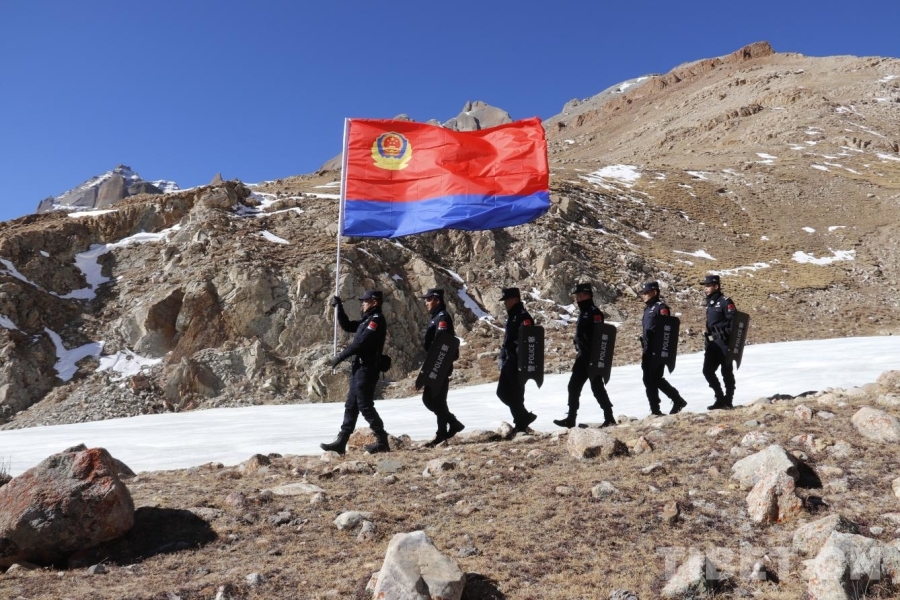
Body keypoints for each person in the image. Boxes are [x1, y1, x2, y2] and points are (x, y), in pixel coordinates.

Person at [319, 290, 391, 454]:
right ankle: (341, 442)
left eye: (365, 301)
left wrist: (340, 357)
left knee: (365, 406)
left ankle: (382, 441)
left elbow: (360, 343)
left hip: (367, 369)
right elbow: (347, 326)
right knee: (351, 405)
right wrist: (339, 308)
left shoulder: (376, 320)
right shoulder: (367, 320)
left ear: (374, 302)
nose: (362, 304)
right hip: (359, 368)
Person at [554, 283, 615, 428]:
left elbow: (599, 335)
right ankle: (571, 418)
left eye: (581, 295)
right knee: (574, 386)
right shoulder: (584, 312)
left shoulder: (594, 312)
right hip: (583, 356)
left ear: (588, 295)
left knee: (596, 387)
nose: (578, 299)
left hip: (592, 357)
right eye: (577, 296)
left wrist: (594, 354)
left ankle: (609, 417)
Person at [419, 288, 465, 446]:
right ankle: (449, 426)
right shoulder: (436, 317)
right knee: (433, 400)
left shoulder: (442, 317)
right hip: (435, 364)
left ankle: (444, 431)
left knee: (435, 400)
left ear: (437, 300)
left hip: (440, 364)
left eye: (429, 299)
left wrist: (437, 363)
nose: (426, 302)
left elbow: (442, 341)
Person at [639, 281, 687, 416]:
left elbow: (666, 328)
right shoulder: (647, 309)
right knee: (649, 379)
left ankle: (674, 401)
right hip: (647, 349)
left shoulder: (661, 307)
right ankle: (657, 409)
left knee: (655, 378)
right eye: (643, 293)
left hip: (657, 349)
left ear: (655, 292)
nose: (644, 295)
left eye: (646, 293)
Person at [496, 287, 538, 432]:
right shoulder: (513, 316)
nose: (505, 303)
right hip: (509, 360)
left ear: (515, 299)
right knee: (502, 393)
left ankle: (521, 424)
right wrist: (502, 356)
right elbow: (507, 340)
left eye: (507, 300)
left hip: (517, 362)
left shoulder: (523, 316)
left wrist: (521, 362)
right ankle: (524, 417)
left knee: (516, 393)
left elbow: (527, 341)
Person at [701, 274, 737, 410]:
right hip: (712, 343)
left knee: (726, 372)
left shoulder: (725, 302)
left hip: (724, 343)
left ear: (716, 286)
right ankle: (720, 398)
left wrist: (726, 335)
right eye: (705, 286)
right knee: (707, 371)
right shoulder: (710, 303)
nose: (705, 288)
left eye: (708, 285)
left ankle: (728, 400)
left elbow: (734, 322)